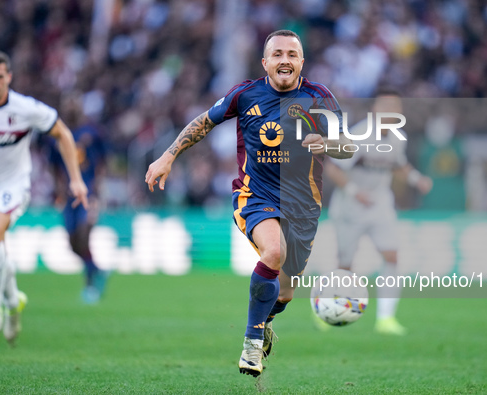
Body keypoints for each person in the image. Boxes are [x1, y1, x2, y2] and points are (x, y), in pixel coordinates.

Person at [145, 30, 352, 377]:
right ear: (265, 62)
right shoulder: (245, 93)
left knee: (284, 294)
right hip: (255, 196)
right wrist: (168, 155)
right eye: (278, 54)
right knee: (273, 252)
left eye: (292, 54)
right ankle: (252, 344)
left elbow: (347, 146)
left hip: (303, 207)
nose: (285, 60)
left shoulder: (320, 97)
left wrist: (328, 144)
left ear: (302, 61)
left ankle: (266, 319)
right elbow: (204, 122)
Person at [0, 50, 88, 344]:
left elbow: (64, 134)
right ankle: (13, 300)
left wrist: (76, 180)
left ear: (9, 77)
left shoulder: (25, 108)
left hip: (12, 183)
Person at [326, 92, 432, 335]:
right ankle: (331, 310)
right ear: (374, 109)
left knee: (392, 256)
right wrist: (355, 192)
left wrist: (417, 180)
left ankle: (386, 318)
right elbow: (333, 168)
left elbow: (398, 165)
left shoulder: (398, 139)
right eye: (385, 106)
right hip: (350, 207)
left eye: (395, 107)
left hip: (380, 204)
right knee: (345, 266)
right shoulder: (357, 136)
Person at [46, 104, 107, 304]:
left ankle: (90, 284)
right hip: (68, 195)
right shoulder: (56, 135)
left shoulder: (91, 133)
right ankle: (97, 270)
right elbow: (54, 166)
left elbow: (101, 163)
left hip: (87, 192)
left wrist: (98, 190)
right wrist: (58, 190)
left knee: (83, 235)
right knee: (73, 245)